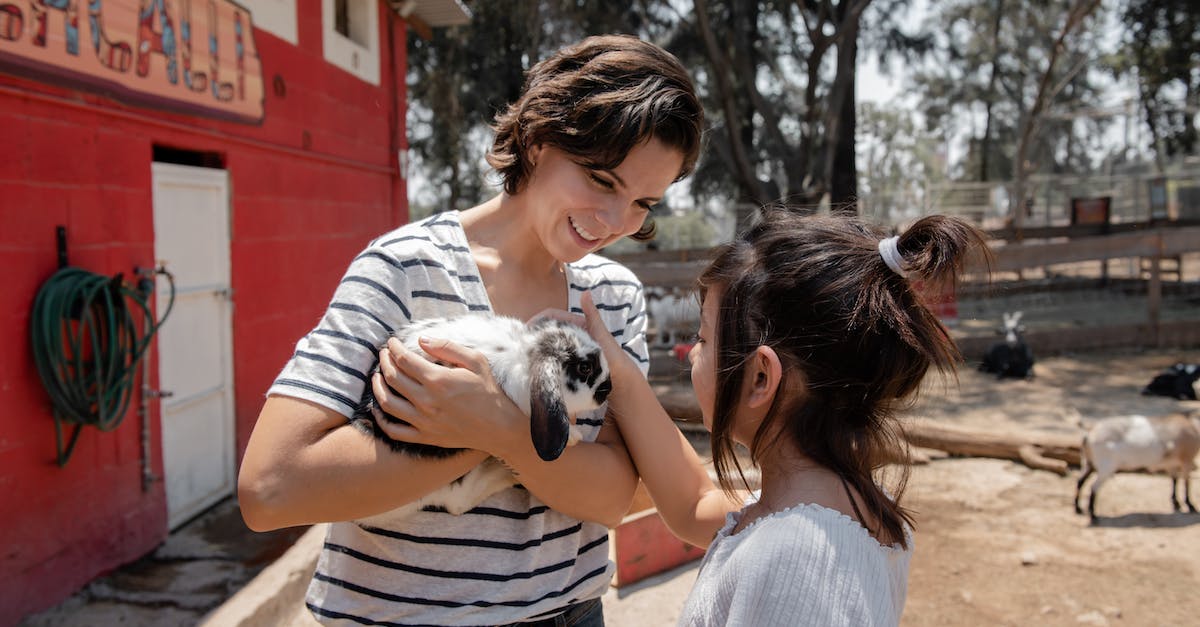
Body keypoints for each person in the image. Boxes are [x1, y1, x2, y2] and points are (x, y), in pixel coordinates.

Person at [236, 34, 704, 626]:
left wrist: (500, 428)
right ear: (538, 140)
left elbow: (614, 497)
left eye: (644, 202)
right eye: (602, 180)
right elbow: (271, 488)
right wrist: (515, 437)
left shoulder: (612, 296)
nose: (616, 221)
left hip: (568, 614)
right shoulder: (404, 267)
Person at [382, 209, 988, 625]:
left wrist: (501, 432)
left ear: (759, 378)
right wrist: (612, 372)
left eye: (702, 339)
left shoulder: (800, 559)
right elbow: (690, 501)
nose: (689, 355)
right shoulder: (829, 508)